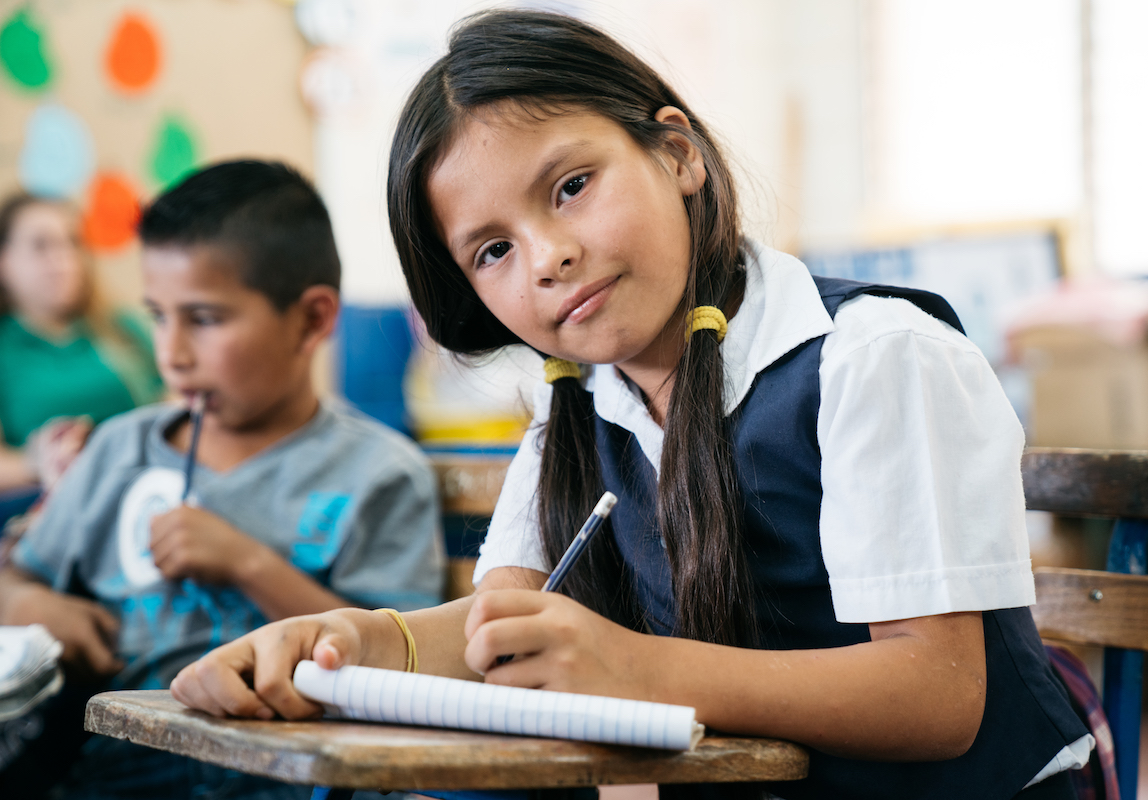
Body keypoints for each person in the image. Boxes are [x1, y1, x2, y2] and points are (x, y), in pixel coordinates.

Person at [169, 12, 1091, 800]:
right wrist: (354, 641)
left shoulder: (875, 357)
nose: (546, 257)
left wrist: (632, 669)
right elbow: (503, 627)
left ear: (678, 154)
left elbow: (938, 695)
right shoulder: (577, 411)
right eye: (491, 250)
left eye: (572, 187)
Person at [0, 160, 446, 800]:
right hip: (110, 774)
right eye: (157, 315)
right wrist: (24, 602)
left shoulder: (378, 474)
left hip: (294, 780)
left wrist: (247, 564)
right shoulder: (121, 449)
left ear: (313, 320)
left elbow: (405, 661)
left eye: (205, 319)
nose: (171, 352)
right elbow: (17, 571)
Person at [0, 193, 162, 492]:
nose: (61, 259)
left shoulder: (123, 328)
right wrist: (37, 461)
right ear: (4, 260)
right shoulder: (6, 349)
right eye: (41, 245)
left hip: (145, 485)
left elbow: (171, 403)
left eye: (72, 242)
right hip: (49, 501)